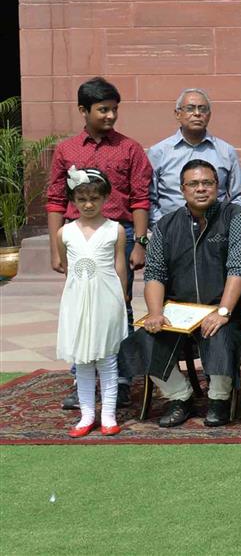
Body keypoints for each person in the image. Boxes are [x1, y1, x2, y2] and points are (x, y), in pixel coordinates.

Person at [45, 77, 151, 410]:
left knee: (120, 306)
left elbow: (140, 198)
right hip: (77, 239)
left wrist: (140, 242)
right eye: (103, 110)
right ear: (83, 110)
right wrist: (54, 247)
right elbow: (55, 200)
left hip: (117, 235)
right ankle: (83, 382)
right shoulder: (67, 150)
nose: (110, 116)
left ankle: (119, 382)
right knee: (81, 305)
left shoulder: (129, 148)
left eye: (114, 110)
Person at [126, 160, 241, 428]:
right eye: (193, 184)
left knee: (219, 332)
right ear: (182, 189)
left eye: (208, 183)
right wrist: (156, 313)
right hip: (179, 313)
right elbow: (155, 274)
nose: (201, 189)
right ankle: (180, 396)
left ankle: (219, 400)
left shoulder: (235, 216)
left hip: (223, 309)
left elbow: (239, 267)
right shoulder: (165, 226)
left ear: (218, 187)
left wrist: (224, 311)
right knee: (144, 338)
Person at [54, 168, 128, 438]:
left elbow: (120, 267)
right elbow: (67, 267)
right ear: (72, 200)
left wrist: (121, 298)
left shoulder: (115, 230)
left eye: (94, 198)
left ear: (105, 198)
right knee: (83, 360)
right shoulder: (65, 232)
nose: (88, 204)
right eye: (81, 198)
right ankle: (86, 414)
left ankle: (108, 414)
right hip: (77, 301)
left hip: (106, 300)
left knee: (107, 358)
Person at [146, 88, 241, 223]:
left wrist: (226, 224)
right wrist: (162, 228)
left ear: (209, 115)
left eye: (203, 109)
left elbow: (240, 196)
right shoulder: (158, 152)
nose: (197, 113)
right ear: (177, 114)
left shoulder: (226, 151)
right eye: (190, 108)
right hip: (171, 232)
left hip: (216, 231)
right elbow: (148, 198)